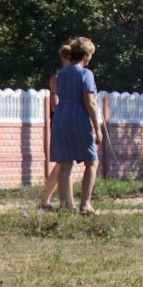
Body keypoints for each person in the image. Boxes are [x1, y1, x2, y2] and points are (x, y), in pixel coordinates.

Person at [43, 37, 106, 215]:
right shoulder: (86, 74)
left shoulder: (60, 74)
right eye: (91, 55)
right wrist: (98, 128)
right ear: (86, 55)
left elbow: (56, 101)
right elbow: (89, 102)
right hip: (79, 117)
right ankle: (85, 204)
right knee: (92, 162)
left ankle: (66, 207)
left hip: (61, 118)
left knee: (65, 164)